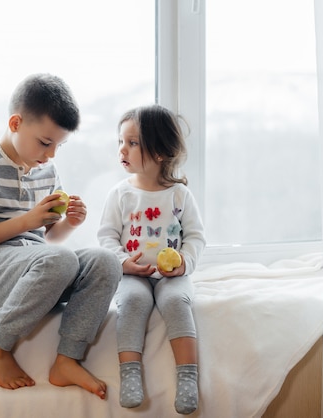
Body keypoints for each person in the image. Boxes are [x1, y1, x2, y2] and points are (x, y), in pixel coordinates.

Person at [0, 73, 121, 399]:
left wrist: (69, 223)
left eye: (59, 145)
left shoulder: (47, 171)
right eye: (45, 143)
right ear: (15, 123)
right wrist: (26, 220)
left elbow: (50, 240)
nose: (51, 155)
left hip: (38, 265)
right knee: (58, 260)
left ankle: (67, 359)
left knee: (106, 261)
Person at [97, 104, 206, 414]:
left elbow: (196, 236)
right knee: (130, 301)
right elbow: (106, 236)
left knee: (175, 302)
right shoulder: (120, 194)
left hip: (173, 276)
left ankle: (187, 377)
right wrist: (122, 262)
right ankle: (130, 373)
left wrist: (184, 262)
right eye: (121, 141)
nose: (123, 149)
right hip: (133, 274)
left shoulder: (179, 194)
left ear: (159, 152)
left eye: (132, 143)